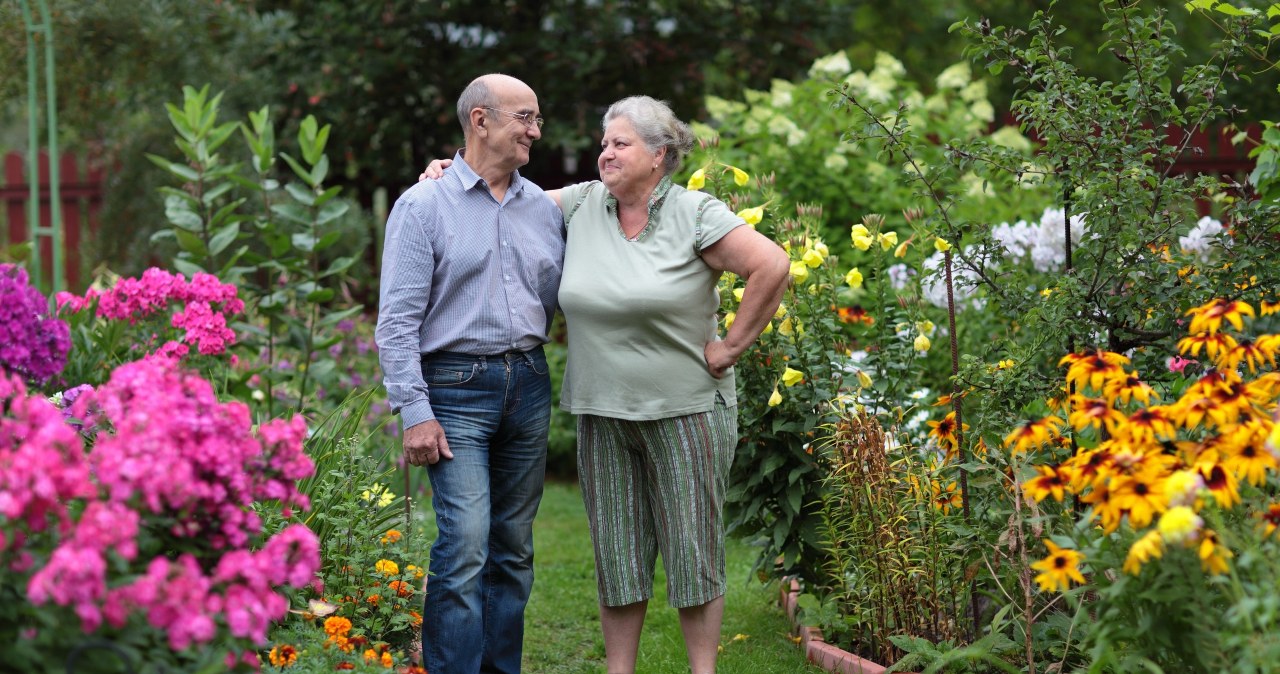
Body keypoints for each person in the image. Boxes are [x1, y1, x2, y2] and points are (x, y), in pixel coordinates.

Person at [424, 95, 789, 674]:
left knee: (693, 552)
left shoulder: (696, 212)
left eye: (620, 144)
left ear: (659, 155)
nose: (606, 154)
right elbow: (495, 197)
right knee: (617, 555)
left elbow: (771, 264)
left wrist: (731, 346)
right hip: (602, 411)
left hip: (687, 409)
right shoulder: (580, 205)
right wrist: (448, 171)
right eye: (603, 144)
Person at [376, 73, 565, 674]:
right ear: (480, 120)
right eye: (524, 117)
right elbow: (397, 322)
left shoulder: (545, 207)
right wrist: (415, 412)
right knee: (463, 549)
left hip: (529, 385)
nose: (536, 130)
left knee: (513, 549)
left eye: (537, 118)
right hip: (455, 392)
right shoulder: (423, 205)